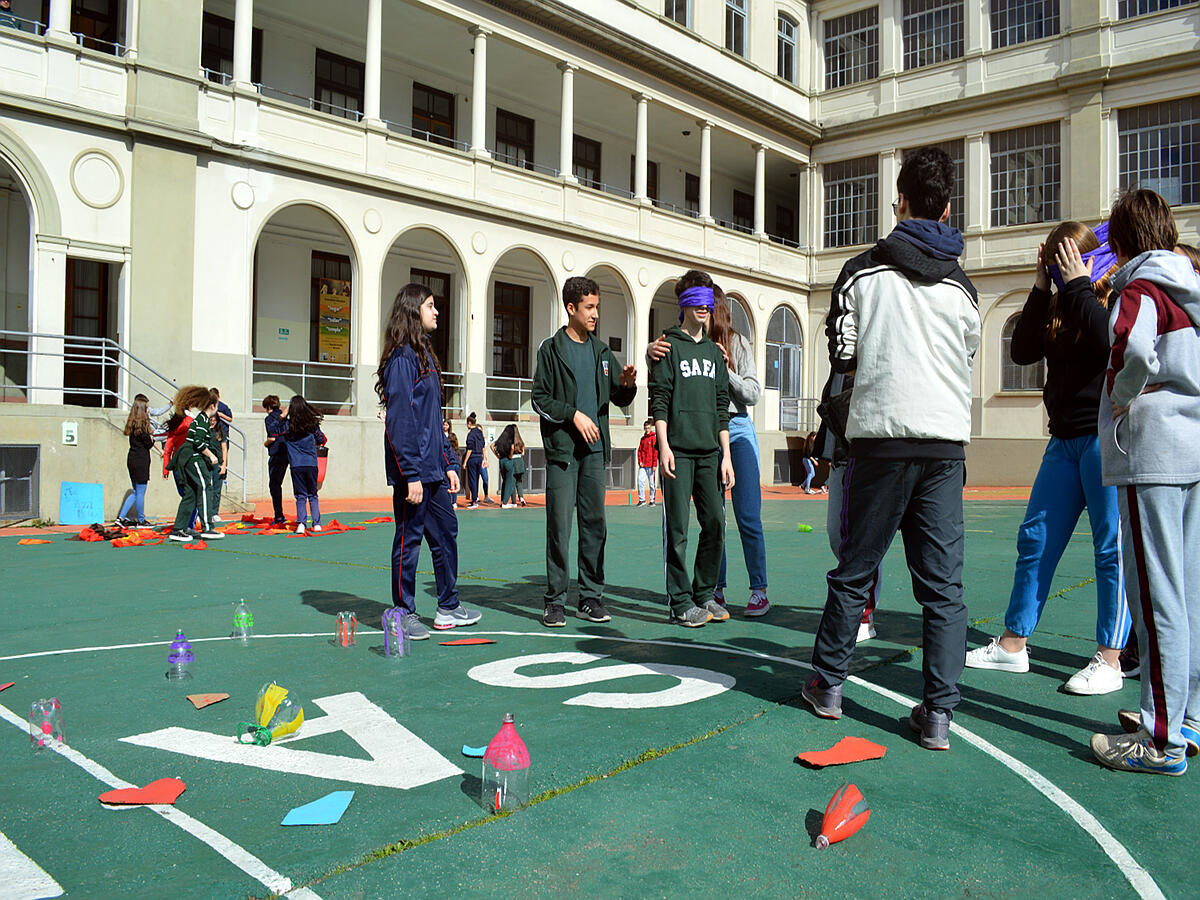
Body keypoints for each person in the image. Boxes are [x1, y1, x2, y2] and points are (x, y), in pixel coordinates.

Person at [802, 146, 980, 752]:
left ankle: (828, 685)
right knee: (943, 588)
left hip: (880, 438)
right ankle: (938, 714)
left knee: (856, 568)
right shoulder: (963, 286)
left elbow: (842, 354)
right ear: (948, 209)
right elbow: (968, 354)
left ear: (899, 201)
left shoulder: (860, 272)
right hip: (944, 443)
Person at [965, 221, 1130, 695]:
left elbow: (1108, 342)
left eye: (1062, 262)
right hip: (1063, 441)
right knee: (1035, 538)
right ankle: (1013, 644)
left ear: (1084, 259)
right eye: (1052, 263)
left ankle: (1110, 658)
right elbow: (1021, 351)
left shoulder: (1111, 298)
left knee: (1110, 549)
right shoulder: (1058, 301)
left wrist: (1078, 284)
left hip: (1103, 438)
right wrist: (1041, 286)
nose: (1057, 271)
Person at [1089, 189, 1200, 776]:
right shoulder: (1192, 282)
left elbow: (1132, 347)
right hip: (1194, 444)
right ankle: (1188, 716)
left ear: (1122, 241)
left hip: (1152, 449)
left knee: (1156, 596)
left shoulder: (1142, 286)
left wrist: (1123, 396)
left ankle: (1161, 739)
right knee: (1191, 590)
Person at [532, 275, 637, 627]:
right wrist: (573, 415)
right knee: (559, 528)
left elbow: (619, 396)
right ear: (571, 308)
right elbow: (540, 399)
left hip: (594, 453)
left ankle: (590, 598)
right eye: (589, 307)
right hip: (563, 454)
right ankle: (554, 602)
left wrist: (628, 385)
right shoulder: (550, 349)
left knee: (594, 526)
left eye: (597, 307)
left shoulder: (602, 352)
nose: (595, 314)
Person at [377, 283, 480, 639]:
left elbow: (434, 420)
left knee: (446, 532)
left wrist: (449, 462)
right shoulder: (402, 360)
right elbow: (400, 421)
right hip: (415, 473)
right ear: (413, 311)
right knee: (410, 540)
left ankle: (448, 605)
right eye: (430, 305)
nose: (437, 311)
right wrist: (411, 474)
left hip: (435, 469)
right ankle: (402, 612)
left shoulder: (425, 358)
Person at [650, 270, 734, 627]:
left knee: (715, 523)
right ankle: (680, 602)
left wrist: (726, 455)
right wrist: (664, 447)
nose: (704, 306)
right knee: (678, 530)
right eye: (697, 299)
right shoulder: (667, 348)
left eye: (708, 300)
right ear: (683, 303)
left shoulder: (715, 354)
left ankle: (704, 594)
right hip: (678, 453)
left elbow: (721, 406)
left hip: (710, 453)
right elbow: (659, 400)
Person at [816, 371, 881, 643]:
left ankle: (864, 615)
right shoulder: (837, 368)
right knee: (837, 537)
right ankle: (855, 607)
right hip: (839, 460)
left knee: (862, 542)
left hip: (866, 459)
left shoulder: (869, 360)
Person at [167, 387, 224, 543]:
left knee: (191, 494)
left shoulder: (200, 419)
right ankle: (208, 527)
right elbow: (198, 441)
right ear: (212, 405)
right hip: (193, 459)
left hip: (187, 459)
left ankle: (178, 529)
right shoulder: (203, 420)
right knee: (205, 487)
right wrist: (211, 455)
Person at [282, 395, 326, 535]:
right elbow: (321, 439)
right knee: (313, 494)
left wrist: (282, 416)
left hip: (296, 464)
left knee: (300, 495)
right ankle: (317, 523)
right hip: (311, 463)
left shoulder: (287, 426)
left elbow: (273, 429)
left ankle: (301, 523)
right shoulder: (312, 424)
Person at [115, 394, 155, 527]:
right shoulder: (142, 426)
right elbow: (148, 444)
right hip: (141, 461)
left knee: (135, 491)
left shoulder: (132, 424)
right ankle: (141, 520)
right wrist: (152, 438)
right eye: (147, 408)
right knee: (141, 492)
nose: (148, 410)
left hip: (132, 459)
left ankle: (121, 518)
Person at [262, 395, 289, 525]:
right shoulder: (286, 418)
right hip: (287, 453)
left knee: (274, 485)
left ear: (268, 407)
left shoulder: (269, 419)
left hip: (276, 454)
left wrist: (265, 444)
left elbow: (272, 438)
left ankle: (279, 515)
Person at [209, 388, 233, 522]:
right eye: (210, 419)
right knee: (206, 488)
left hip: (218, 463)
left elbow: (224, 449)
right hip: (206, 462)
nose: (212, 421)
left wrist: (223, 465)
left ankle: (214, 512)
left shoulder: (220, 432)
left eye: (214, 419)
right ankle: (205, 512)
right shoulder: (205, 431)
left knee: (217, 488)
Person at [492, 424, 524, 509]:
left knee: (504, 481)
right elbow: (512, 448)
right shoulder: (511, 440)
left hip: (501, 461)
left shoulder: (501, 440)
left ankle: (502, 500)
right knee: (509, 483)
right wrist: (510, 455)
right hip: (508, 461)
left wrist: (497, 455)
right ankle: (505, 503)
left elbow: (492, 446)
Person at [463, 412, 484, 508]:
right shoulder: (480, 433)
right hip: (479, 457)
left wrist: (465, 462)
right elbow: (483, 445)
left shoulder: (471, 434)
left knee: (472, 479)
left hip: (472, 458)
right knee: (476, 479)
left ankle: (474, 500)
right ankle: (475, 498)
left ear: (469, 423)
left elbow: (470, 449)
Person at [636, 417, 658, 506]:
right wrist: (640, 461)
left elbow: (655, 452)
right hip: (643, 465)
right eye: (645, 428)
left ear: (651, 428)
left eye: (648, 428)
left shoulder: (653, 438)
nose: (647, 430)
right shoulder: (642, 439)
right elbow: (639, 451)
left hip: (651, 465)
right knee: (640, 481)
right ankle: (642, 500)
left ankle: (652, 500)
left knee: (652, 484)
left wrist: (654, 464)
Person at [443, 419, 461, 505]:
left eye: (446, 425)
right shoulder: (447, 436)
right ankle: (453, 502)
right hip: (454, 463)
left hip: (452, 463)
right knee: (453, 482)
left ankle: (452, 501)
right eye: (444, 424)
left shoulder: (449, 436)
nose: (445, 426)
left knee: (451, 483)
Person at [511, 430, 528, 507]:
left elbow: (510, 453)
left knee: (512, 482)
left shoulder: (511, 442)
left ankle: (514, 501)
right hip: (520, 462)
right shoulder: (521, 442)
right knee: (519, 481)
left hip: (513, 462)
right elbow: (523, 453)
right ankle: (521, 498)